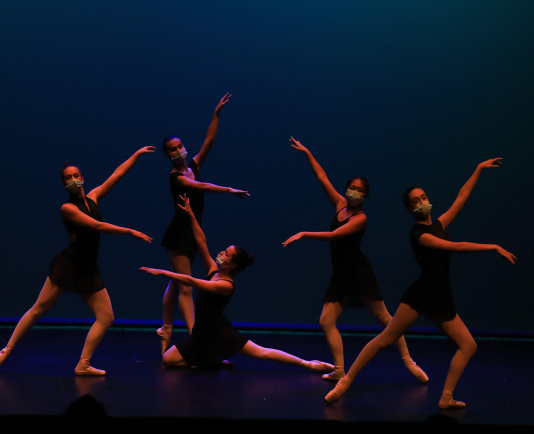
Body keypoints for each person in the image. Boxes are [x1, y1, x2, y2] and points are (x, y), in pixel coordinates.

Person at [324, 158, 516, 409]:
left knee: (468, 346)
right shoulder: (420, 235)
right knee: (385, 339)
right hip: (422, 294)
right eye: (415, 201)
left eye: (423, 197)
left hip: (440, 296)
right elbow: (456, 247)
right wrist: (492, 246)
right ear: (409, 209)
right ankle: (346, 381)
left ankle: (446, 397)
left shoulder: (439, 224)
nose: (421, 202)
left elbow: (462, 196)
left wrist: (478, 169)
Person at [0, 146, 155, 376]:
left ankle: (83, 364)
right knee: (39, 309)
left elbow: (116, 175)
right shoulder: (67, 209)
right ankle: (6, 351)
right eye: (68, 178)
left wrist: (136, 155)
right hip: (69, 265)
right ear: (64, 184)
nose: (73, 180)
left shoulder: (93, 197)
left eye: (76, 176)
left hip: (88, 267)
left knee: (106, 317)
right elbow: (96, 226)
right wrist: (129, 231)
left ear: (82, 177)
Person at [283, 137, 428, 383]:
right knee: (326, 320)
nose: (356, 192)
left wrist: (304, 233)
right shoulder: (340, 204)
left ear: (365, 195)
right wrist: (307, 152)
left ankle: (409, 362)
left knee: (387, 321)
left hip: (359, 272)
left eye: (361, 190)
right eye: (353, 187)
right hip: (340, 273)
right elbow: (322, 178)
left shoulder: (361, 219)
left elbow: (333, 235)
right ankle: (340, 369)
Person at [142, 195, 333, 372]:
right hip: (201, 334)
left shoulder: (226, 285)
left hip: (218, 332)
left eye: (226, 254)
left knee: (261, 352)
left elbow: (192, 281)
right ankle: (208, 360)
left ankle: (307, 364)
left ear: (231, 264)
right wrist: (191, 214)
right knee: (168, 359)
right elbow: (201, 241)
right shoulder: (214, 272)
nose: (221, 253)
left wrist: (166, 272)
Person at [158, 92, 250, 354]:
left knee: (177, 282)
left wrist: (216, 114)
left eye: (179, 146)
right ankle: (195, 339)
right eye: (172, 150)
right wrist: (229, 190)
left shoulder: (193, 165)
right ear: (168, 155)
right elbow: (202, 187)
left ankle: (165, 326)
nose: (178, 151)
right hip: (179, 234)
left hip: (192, 231)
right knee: (185, 285)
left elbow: (209, 140)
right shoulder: (177, 177)